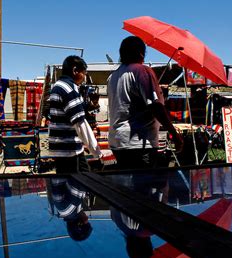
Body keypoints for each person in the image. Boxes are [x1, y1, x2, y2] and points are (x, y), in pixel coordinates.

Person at [107, 36, 183, 169]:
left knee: (127, 187)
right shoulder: (141, 71)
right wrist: (174, 134)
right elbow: (156, 106)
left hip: (118, 141)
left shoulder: (113, 76)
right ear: (141, 53)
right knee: (143, 187)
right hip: (138, 143)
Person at [48, 55, 102, 175]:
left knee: (84, 176)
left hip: (67, 147)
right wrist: (95, 149)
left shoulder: (59, 86)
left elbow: (79, 112)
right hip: (68, 149)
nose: (84, 77)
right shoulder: (69, 89)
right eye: (84, 73)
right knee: (76, 183)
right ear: (75, 71)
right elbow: (80, 122)